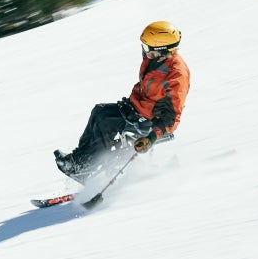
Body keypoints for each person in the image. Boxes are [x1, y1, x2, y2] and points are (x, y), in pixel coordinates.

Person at [55, 21, 190, 181]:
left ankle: (84, 167)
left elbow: (172, 118)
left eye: (147, 48)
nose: (144, 51)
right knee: (99, 111)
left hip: (150, 119)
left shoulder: (176, 75)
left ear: (161, 50)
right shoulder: (156, 59)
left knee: (107, 121)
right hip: (137, 107)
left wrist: (151, 137)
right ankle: (79, 161)